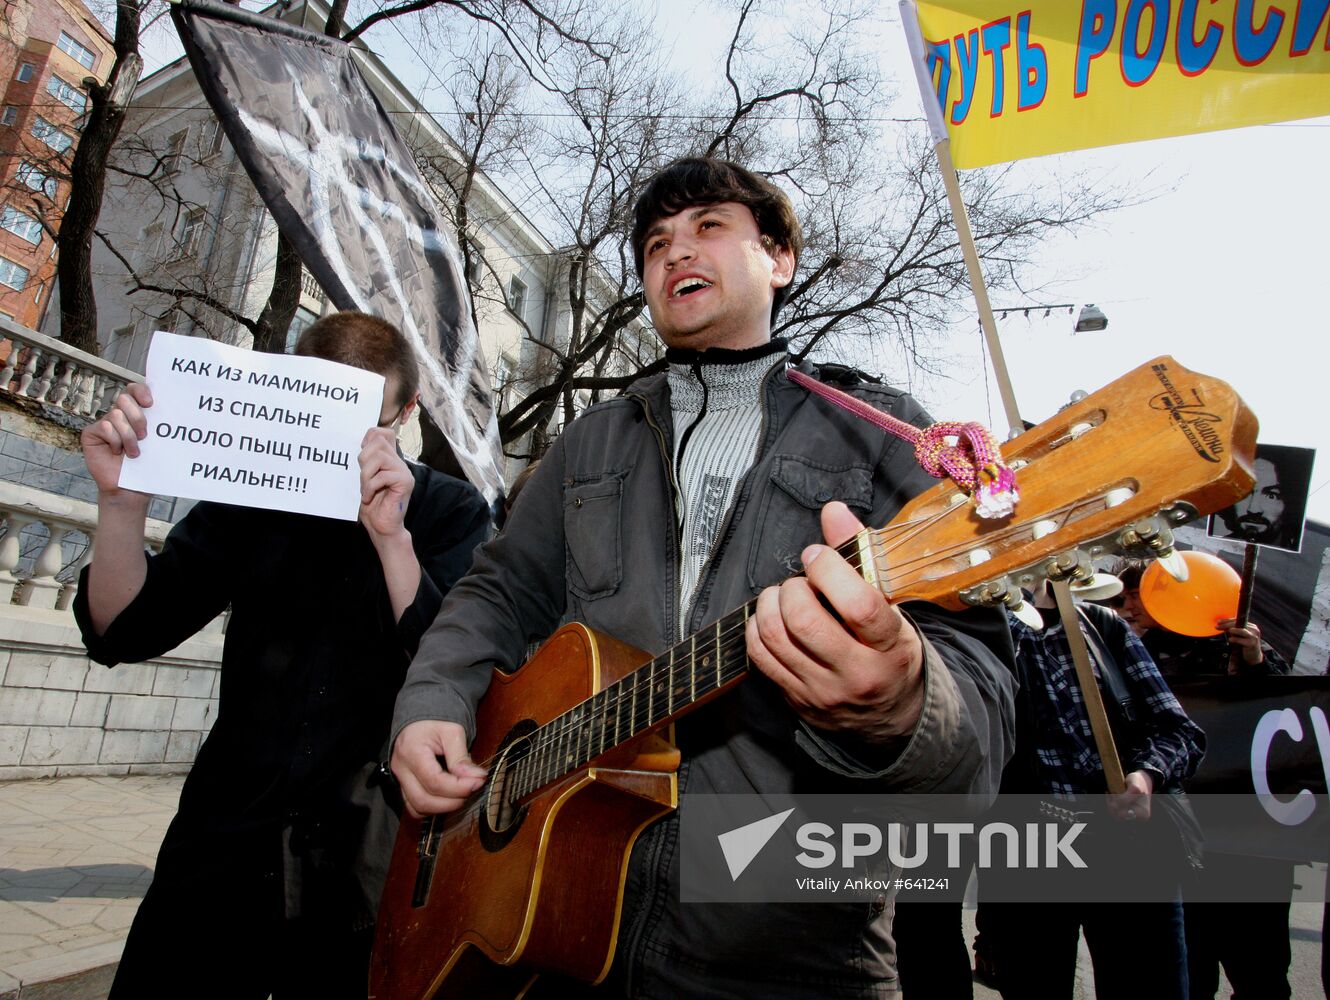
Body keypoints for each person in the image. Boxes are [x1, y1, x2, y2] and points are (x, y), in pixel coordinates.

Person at [389, 157, 1017, 998]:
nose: (675, 251)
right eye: (655, 243)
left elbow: (982, 709)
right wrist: (433, 699)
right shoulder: (590, 440)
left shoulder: (886, 434)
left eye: (708, 226)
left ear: (780, 259)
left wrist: (906, 703)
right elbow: (496, 591)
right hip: (557, 941)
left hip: (788, 956)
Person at [75, 312, 491, 999]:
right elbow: (124, 630)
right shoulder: (250, 495)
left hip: (364, 863)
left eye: (359, 420)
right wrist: (120, 505)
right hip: (220, 846)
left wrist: (391, 537)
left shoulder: (449, 509)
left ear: (404, 412)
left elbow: (450, 658)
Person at [982, 581, 1206, 1000]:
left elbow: (1180, 732)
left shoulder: (1101, 627)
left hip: (1130, 850)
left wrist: (1145, 775)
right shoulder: (987, 639)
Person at [1114, 559, 1294, 1000]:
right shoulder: (1135, 652)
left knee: (1261, 966)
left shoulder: (1238, 646)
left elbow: (1285, 713)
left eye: (1133, 595)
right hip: (1181, 829)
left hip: (1251, 838)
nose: (1128, 606)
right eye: (1123, 598)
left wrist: (1252, 660)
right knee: (1191, 965)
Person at [1210, 445, 1312, 550]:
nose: (1253, 509)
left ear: (1290, 503)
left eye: (1271, 496)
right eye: (1244, 493)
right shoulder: (1211, 553)